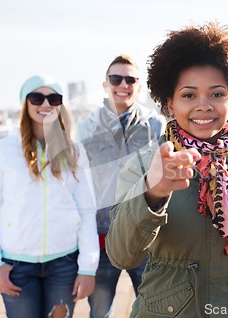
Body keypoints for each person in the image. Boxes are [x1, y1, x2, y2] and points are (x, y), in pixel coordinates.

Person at [106, 22, 228, 318]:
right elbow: (121, 254)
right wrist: (153, 191)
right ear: (170, 102)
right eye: (189, 95)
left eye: (217, 94)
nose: (204, 106)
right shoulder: (145, 164)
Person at [0, 74, 99, 318]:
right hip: (16, 266)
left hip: (64, 263)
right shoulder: (4, 151)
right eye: (36, 97)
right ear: (24, 104)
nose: (45, 104)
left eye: (53, 98)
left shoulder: (74, 151)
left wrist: (88, 267)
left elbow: (87, 210)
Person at [78, 55, 165, 318]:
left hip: (144, 236)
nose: (123, 84)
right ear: (105, 84)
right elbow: (78, 184)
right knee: (100, 311)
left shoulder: (156, 125)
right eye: (116, 79)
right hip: (103, 238)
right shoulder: (86, 128)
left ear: (139, 86)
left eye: (131, 79)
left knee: (154, 309)